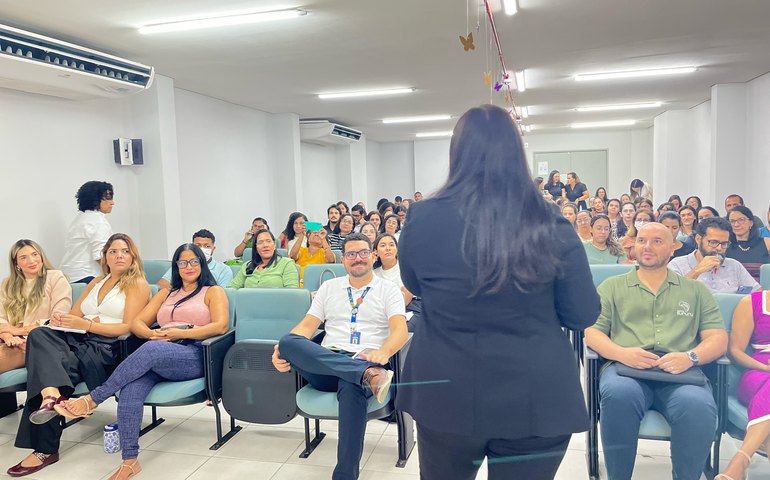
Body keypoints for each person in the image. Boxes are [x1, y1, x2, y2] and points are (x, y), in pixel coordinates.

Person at [397, 105, 601, 479]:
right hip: (535, 396)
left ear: (456, 153)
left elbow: (413, 284)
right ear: (516, 153)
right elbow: (582, 314)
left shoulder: (421, 219)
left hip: (446, 390)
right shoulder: (550, 221)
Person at [54, 243, 229, 480]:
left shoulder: (212, 291)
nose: (188, 267)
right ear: (176, 267)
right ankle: (130, 461)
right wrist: (152, 334)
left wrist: (179, 334)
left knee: (151, 351)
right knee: (130, 390)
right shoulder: (166, 293)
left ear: (202, 264)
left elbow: (220, 326)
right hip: (159, 352)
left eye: (194, 261)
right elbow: (137, 323)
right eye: (182, 262)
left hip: (194, 354)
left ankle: (94, 398)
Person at [584, 222, 727, 480]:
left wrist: (690, 357)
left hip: (680, 371)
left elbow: (717, 338)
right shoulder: (612, 287)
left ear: (674, 247)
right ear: (634, 247)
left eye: (657, 241)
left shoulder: (695, 290)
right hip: (627, 369)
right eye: (641, 241)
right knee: (618, 395)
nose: (647, 246)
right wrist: (621, 353)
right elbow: (592, 332)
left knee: (698, 405)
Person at [7, 233, 151, 477]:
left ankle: (44, 449)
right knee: (40, 334)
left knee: (48, 369)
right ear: (104, 256)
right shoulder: (96, 281)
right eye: (113, 251)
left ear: (133, 256)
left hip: (107, 348)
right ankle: (50, 396)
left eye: (124, 251)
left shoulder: (137, 283)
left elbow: (128, 327)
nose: (118, 255)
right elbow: (73, 316)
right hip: (79, 340)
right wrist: (68, 321)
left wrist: (89, 325)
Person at [273, 233, 408, 480]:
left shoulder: (388, 290)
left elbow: (400, 331)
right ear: (343, 259)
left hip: (367, 359)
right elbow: (306, 327)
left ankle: (345, 475)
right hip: (327, 365)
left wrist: (384, 352)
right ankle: (366, 376)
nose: (358, 259)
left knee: (351, 381)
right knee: (287, 340)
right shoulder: (329, 287)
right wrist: (281, 351)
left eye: (363, 253)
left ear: (373, 255)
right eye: (351, 254)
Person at [717, 289, 770, 480]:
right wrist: (764, 367)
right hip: (758, 371)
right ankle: (741, 463)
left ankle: (740, 462)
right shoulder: (752, 302)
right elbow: (735, 351)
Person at [0, 240, 71, 375]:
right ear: (16, 264)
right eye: (23, 258)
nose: (31, 260)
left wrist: (17, 330)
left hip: (38, 342)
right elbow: (1, 317)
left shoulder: (55, 277)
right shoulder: (6, 284)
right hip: (9, 341)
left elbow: (58, 319)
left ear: (41, 256)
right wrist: (8, 335)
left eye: (34, 254)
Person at [668, 217, 760, 294]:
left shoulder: (734, 266)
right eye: (713, 242)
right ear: (698, 239)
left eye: (724, 244)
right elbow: (670, 296)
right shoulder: (678, 264)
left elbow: (758, 294)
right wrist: (697, 271)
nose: (719, 248)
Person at [60, 181, 114, 283]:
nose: (112, 202)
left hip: (67, 277)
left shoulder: (81, 218)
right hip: (87, 277)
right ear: (96, 199)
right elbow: (100, 256)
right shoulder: (98, 221)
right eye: (108, 197)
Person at [372, 233, 420, 332]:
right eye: (383, 245)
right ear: (376, 252)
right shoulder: (374, 274)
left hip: (408, 308)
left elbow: (405, 299)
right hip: (382, 312)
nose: (388, 248)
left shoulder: (406, 269)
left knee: (399, 330)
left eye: (391, 245)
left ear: (397, 249)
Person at [158, 229, 233, 289]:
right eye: (198, 246)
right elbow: (162, 284)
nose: (202, 249)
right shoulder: (183, 264)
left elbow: (223, 295)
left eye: (207, 246)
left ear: (213, 248)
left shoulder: (224, 269)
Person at [229, 230, 299, 289]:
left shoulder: (286, 263)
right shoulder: (247, 265)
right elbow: (232, 288)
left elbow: (292, 292)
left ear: (274, 245)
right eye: (260, 242)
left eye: (268, 241)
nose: (265, 245)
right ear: (256, 248)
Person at [726, 206, 770, 281]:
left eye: (741, 220)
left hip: (762, 290)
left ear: (751, 223)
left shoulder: (767, 243)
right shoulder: (725, 246)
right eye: (732, 221)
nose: (736, 224)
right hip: (733, 291)